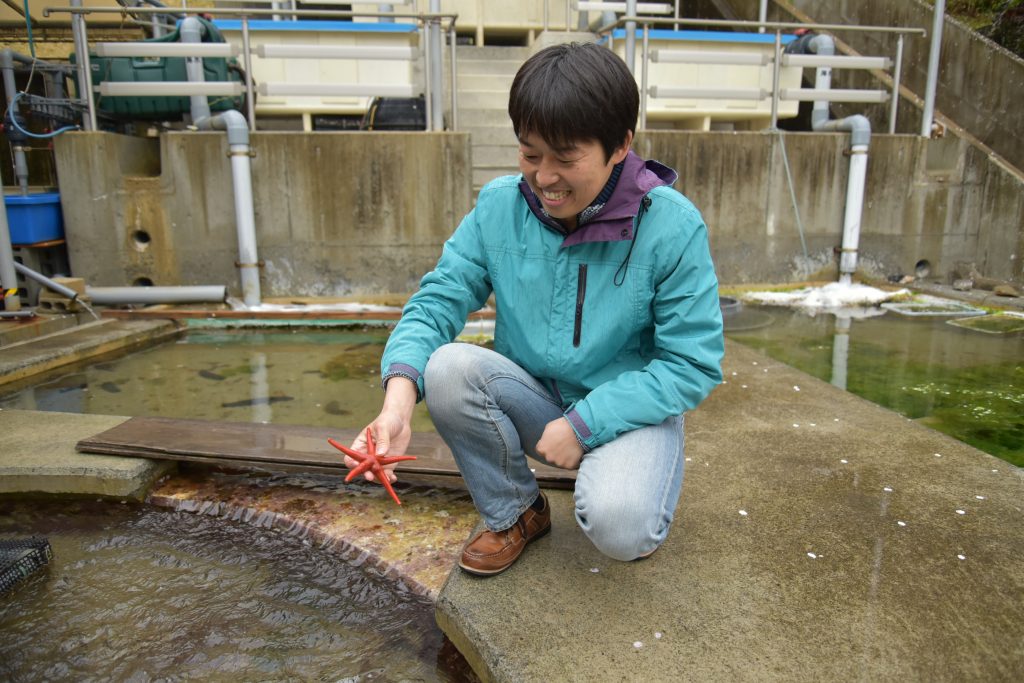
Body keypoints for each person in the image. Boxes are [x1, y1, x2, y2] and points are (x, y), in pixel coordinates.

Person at [344, 41, 723, 575]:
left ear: (620, 145)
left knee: (622, 528)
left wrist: (587, 423)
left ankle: (637, 471)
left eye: (566, 159)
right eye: (530, 154)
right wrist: (397, 405)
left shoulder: (672, 226)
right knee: (447, 367)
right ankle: (517, 510)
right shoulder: (499, 205)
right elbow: (437, 301)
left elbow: (691, 363)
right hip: (537, 402)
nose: (544, 177)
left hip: (627, 411)